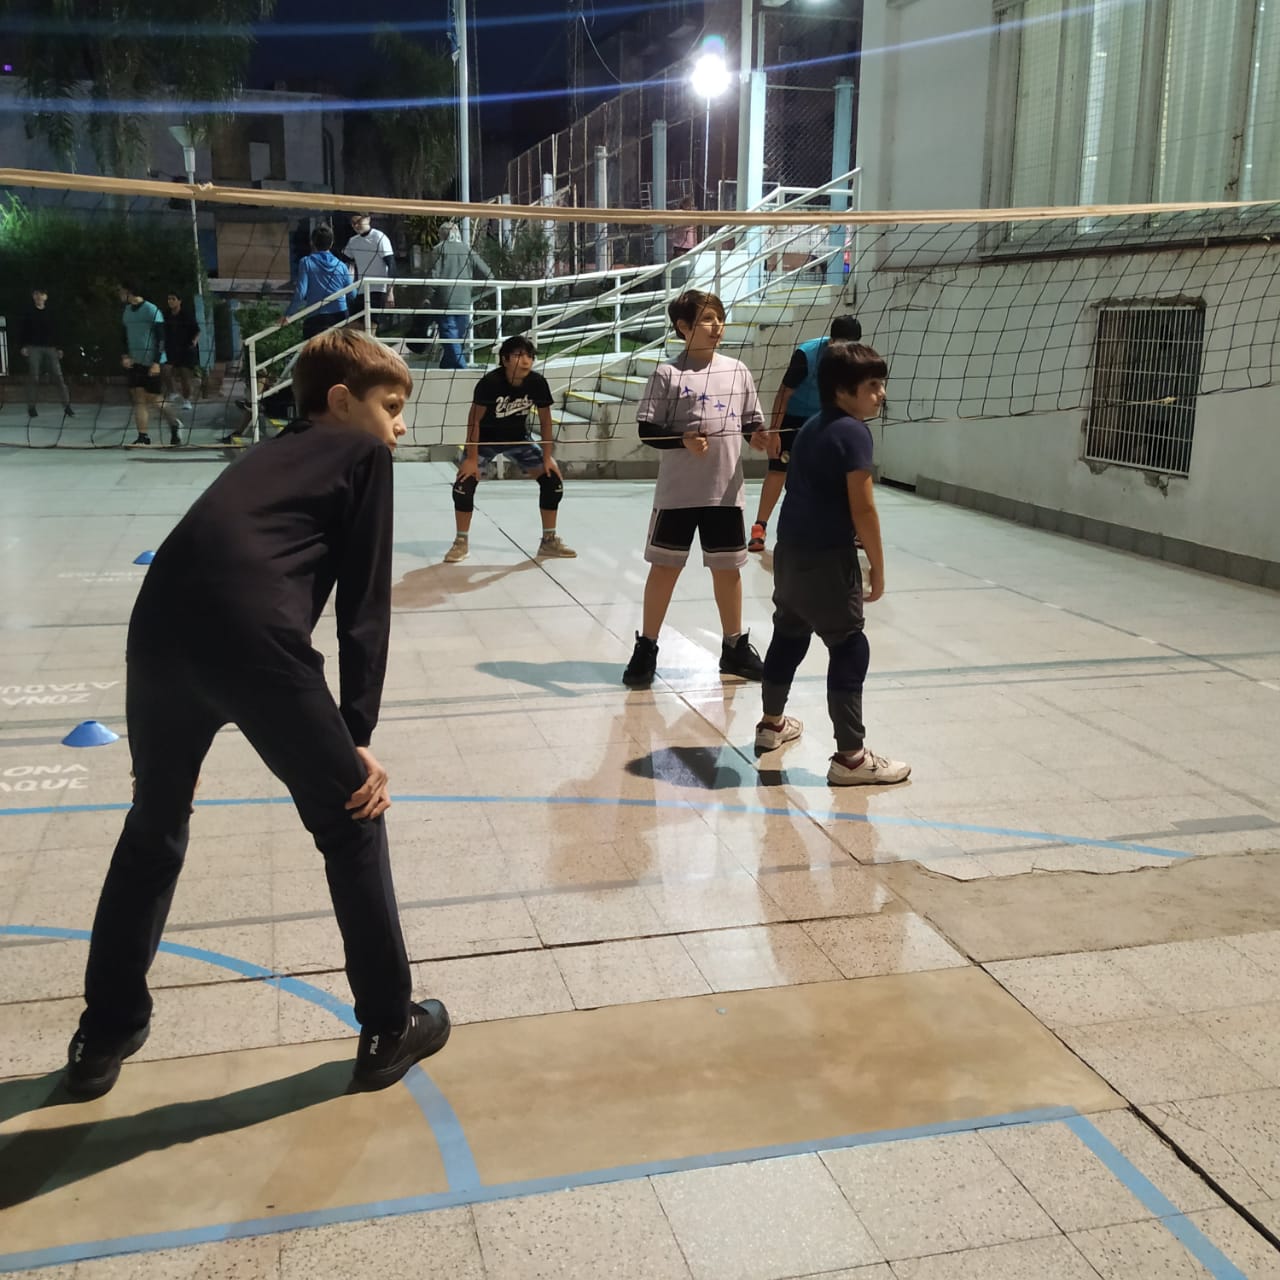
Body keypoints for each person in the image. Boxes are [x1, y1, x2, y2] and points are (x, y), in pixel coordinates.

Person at [64, 328, 450, 1101]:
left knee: (155, 824)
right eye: (392, 406)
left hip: (158, 634)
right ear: (340, 403)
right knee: (352, 817)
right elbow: (364, 606)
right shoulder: (361, 454)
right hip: (253, 639)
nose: (399, 426)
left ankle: (103, 1033)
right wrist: (358, 734)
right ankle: (387, 1026)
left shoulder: (265, 455)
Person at [753, 341, 910, 786]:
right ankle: (851, 758)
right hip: (827, 559)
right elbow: (863, 509)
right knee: (848, 647)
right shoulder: (854, 432)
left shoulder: (812, 429)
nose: (881, 394)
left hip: (789, 554)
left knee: (789, 634)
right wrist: (877, 567)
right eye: (873, 385)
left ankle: (771, 725)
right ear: (844, 389)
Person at [623, 290, 768, 689]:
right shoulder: (668, 374)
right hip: (678, 495)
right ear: (683, 328)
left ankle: (734, 648)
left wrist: (759, 438)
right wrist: (682, 440)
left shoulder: (738, 371)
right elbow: (647, 430)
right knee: (665, 569)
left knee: (728, 571)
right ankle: (647, 647)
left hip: (725, 494)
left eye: (719, 318)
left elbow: (752, 423)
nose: (716, 326)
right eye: (706, 320)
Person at [445, 334, 576, 563]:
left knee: (552, 481)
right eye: (518, 355)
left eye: (529, 356)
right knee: (463, 485)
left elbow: (546, 421)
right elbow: (473, 421)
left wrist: (548, 457)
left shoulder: (537, 383)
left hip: (518, 439)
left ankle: (549, 542)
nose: (525, 360)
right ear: (504, 359)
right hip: (485, 441)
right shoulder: (490, 383)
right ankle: (460, 542)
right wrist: (471, 458)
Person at [749, 314, 863, 553]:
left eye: (850, 347)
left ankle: (853, 529)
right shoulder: (807, 354)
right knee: (778, 469)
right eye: (840, 346)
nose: (844, 352)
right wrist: (776, 432)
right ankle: (759, 529)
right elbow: (784, 393)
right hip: (794, 418)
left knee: (843, 474)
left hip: (828, 418)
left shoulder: (856, 359)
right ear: (831, 341)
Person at [119, 283, 183, 447]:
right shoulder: (127, 311)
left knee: (155, 399)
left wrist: (156, 362)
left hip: (152, 362)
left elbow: (161, 339)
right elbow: (123, 336)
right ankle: (143, 436)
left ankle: (174, 424)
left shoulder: (151, 310)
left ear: (130, 292)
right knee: (138, 398)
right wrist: (125, 355)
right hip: (135, 361)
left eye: (122, 291)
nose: (120, 294)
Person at [423, 222, 493, 369]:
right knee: (455, 340)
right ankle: (446, 367)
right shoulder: (468, 250)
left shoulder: (438, 250)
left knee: (450, 340)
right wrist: (474, 290)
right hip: (464, 302)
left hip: (444, 301)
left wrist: (428, 296)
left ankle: (462, 369)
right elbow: (488, 275)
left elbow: (433, 276)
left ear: (442, 234)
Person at [280, 224, 353, 340]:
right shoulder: (341, 265)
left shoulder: (306, 262)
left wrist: (288, 314)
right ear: (332, 243)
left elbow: (300, 293)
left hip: (316, 317)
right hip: (340, 316)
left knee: (313, 354)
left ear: (312, 243)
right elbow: (352, 294)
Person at [18, 287, 74, 419]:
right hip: (33, 347)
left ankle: (67, 406)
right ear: (33, 296)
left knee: (58, 376)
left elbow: (58, 330)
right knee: (34, 377)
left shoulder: (51, 312)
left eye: (41, 294)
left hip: (50, 347)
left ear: (45, 297)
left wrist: (59, 348)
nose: (38, 297)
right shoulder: (28, 312)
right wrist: (23, 346)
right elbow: (22, 330)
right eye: (36, 294)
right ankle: (31, 407)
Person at [343, 213, 396, 334]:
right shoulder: (353, 241)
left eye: (358, 221)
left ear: (368, 219)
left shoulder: (380, 237)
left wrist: (390, 291)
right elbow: (344, 260)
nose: (355, 225)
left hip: (378, 290)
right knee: (353, 331)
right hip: (360, 290)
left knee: (370, 331)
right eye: (353, 223)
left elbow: (392, 265)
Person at [162, 292, 201, 412]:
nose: (170, 301)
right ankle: (173, 392)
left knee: (185, 377)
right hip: (171, 348)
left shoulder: (186, 315)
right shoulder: (166, 315)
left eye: (173, 299)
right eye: (169, 299)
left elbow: (197, 330)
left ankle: (187, 400)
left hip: (186, 349)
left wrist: (194, 341)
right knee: (165, 369)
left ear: (179, 301)